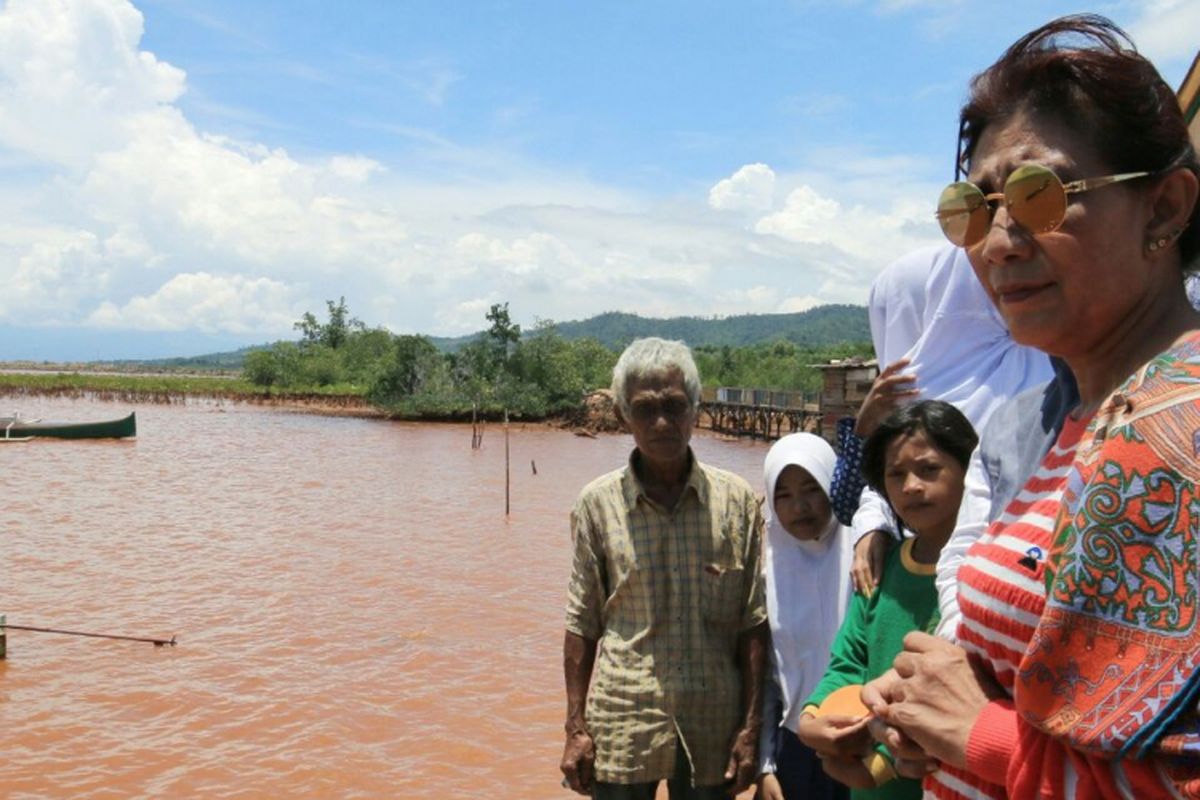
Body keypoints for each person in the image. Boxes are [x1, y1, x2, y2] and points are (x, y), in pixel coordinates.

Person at [859, 14, 1200, 799]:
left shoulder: (1165, 425)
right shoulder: (1077, 412)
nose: (999, 242)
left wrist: (973, 738)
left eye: (1042, 194)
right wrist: (926, 719)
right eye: (972, 211)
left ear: (1164, 209)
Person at [560, 337, 769, 799]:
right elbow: (582, 622)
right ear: (622, 416)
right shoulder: (596, 504)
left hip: (713, 721)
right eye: (644, 409)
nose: (661, 422)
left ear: (696, 409)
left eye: (674, 406)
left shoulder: (737, 501)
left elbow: (753, 624)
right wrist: (575, 727)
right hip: (622, 718)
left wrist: (752, 729)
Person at [832, 243, 1054, 595]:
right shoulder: (898, 390)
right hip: (919, 570)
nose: (912, 485)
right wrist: (871, 523)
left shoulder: (1045, 366)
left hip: (1005, 573)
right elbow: (847, 501)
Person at [798, 401, 978, 799]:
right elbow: (849, 662)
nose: (911, 485)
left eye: (929, 469)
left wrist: (879, 768)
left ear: (969, 471)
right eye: (896, 475)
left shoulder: (984, 576)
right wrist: (813, 715)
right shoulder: (882, 569)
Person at [757, 433, 855, 800]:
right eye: (783, 495)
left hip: (860, 743)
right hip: (794, 748)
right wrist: (764, 766)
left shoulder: (865, 557)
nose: (799, 506)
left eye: (812, 488)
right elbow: (768, 680)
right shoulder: (770, 572)